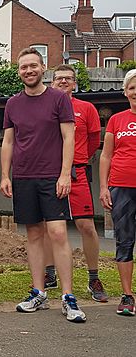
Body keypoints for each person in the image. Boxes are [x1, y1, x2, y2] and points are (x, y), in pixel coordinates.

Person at [0, 47, 86, 323]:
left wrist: (64, 175)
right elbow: (9, 142)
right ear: (19, 72)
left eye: (33, 66)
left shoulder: (59, 99)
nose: (29, 71)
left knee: (59, 233)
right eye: (24, 67)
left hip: (52, 177)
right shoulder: (13, 104)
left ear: (42, 67)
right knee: (34, 235)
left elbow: (69, 138)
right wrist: (5, 175)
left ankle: (68, 296)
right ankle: (38, 292)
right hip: (24, 177)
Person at [43, 64, 108, 302]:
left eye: (68, 79)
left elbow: (93, 140)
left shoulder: (86, 108)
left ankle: (93, 278)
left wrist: (78, 159)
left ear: (74, 83)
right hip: (48, 173)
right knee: (50, 226)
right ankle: (49, 273)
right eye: (58, 78)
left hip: (76, 172)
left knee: (86, 226)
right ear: (52, 82)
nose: (63, 82)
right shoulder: (44, 107)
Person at [99, 69, 136, 316]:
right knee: (125, 241)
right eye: (132, 87)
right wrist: (103, 187)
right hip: (121, 185)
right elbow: (106, 155)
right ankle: (127, 296)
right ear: (125, 92)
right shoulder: (116, 120)